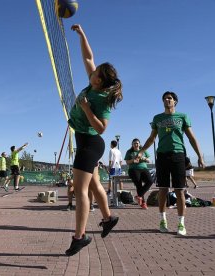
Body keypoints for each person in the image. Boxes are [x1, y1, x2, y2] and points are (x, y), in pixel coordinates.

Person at [65, 24, 122, 256]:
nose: (92, 69)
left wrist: (87, 109)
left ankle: (79, 237)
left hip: (91, 143)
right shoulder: (92, 84)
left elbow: (101, 129)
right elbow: (88, 56)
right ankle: (108, 218)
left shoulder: (101, 99)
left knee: (80, 190)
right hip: (84, 141)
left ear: (99, 80)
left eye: (96, 71)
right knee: (95, 185)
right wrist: (82, 34)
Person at [137, 91, 205, 236]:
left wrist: (200, 155)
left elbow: (192, 137)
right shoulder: (157, 118)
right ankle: (163, 221)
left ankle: (181, 223)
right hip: (162, 156)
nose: (167, 100)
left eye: (170, 98)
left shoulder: (182, 117)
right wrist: (142, 151)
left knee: (179, 190)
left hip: (178, 155)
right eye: (165, 98)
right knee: (163, 189)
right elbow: (151, 138)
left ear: (175, 102)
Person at [124, 138, 153, 209]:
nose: (136, 144)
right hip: (133, 169)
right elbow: (127, 162)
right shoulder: (129, 151)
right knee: (138, 183)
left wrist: (144, 159)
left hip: (143, 168)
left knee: (150, 181)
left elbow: (149, 160)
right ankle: (143, 203)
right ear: (132, 144)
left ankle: (139, 196)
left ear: (139, 144)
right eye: (134, 143)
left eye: (137, 143)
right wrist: (133, 160)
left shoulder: (143, 150)